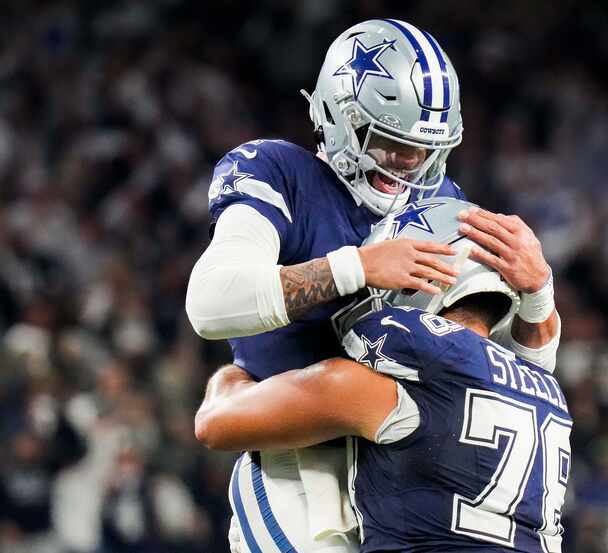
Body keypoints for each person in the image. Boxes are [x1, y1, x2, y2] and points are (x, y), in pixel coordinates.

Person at [185, 19, 561, 552]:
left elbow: (512, 388)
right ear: (341, 117)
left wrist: (539, 294)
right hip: (304, 463)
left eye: (422, 148)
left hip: (409, 472)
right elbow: (210, 303)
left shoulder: (443, 202)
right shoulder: (279, 172)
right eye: (390, 142)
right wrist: (356, 268)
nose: (409, 162)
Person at [194, 198, 572, 552]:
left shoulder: (387, 390)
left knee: (262, 472)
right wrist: (540, 292)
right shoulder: (546, 390)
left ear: (420, 282)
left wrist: (237, 370)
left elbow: (214, 423)